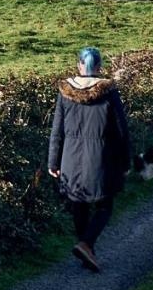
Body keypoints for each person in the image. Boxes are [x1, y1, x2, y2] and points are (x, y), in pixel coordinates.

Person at [47, 46, 131, 272]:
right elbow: (122, 130)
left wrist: (53, 162)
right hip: (101, 157)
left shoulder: (65, 92)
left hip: (71, 159)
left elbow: (57, 131)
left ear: (79, 66)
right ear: (100, 67)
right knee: (105, 206)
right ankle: (86, 244)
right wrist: (126, 161)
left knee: (79, 204)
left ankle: (86, 251)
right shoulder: (109, 92)